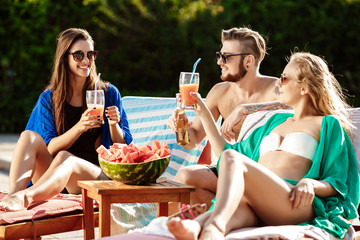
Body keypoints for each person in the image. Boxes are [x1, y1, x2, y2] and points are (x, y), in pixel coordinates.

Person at [167, 52, 359, 240]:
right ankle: (196, 227)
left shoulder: (327, 124)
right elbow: (227, 155)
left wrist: (311, 183)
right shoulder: (274, 121)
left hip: (293, 199)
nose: (277, 83)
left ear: (304, 88)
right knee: (237, 201)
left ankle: (214, 227)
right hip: (259, 202)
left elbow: (339, 181)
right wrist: (204, 115)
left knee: (233, 163)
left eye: (284, 78)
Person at [0, 28, 132, 211]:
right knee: (27, 137)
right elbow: (50, 148)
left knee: (65, 158)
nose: (86, 61)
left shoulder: (108, 93)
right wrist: (80, 127)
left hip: (96, 176)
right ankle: (13, 198)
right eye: (78, 55)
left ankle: (25, 197)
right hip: (55, 178)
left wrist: (114, 124)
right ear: (65, 57)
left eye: (90, 54)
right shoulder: (50, 99)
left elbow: (123, 147)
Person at [168, 27, 287, 208]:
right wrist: (181, 127)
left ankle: (237, 214)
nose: (219, 62)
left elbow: (296, 106)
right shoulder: (219, 92)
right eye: (219, 55)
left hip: (261, 172)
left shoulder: (276, 88)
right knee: (185, 180)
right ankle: (234, 216)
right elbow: (191, 141)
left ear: (248, 61)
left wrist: (245, 109)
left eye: (226, 57)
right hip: (227, 169)